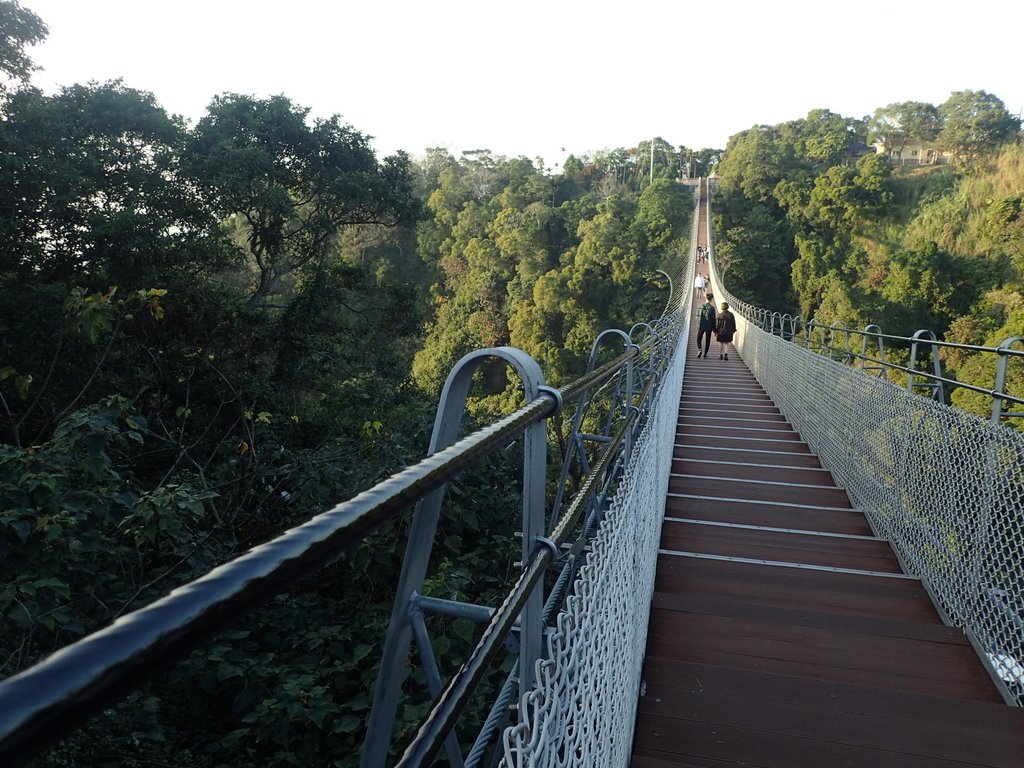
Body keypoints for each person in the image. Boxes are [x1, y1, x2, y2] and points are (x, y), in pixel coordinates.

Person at [695, 292, 716, 358]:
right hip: (709, 327)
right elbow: (713, 319)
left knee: (699, 338)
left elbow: (697, 316)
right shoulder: (712, 308)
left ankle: (700, 349)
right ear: (712, 299)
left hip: (701, 325)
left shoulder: (700, 306)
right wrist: (714, 329)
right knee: (708, 340)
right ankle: (705, 354)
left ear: (705, 298)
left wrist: (698, 323)